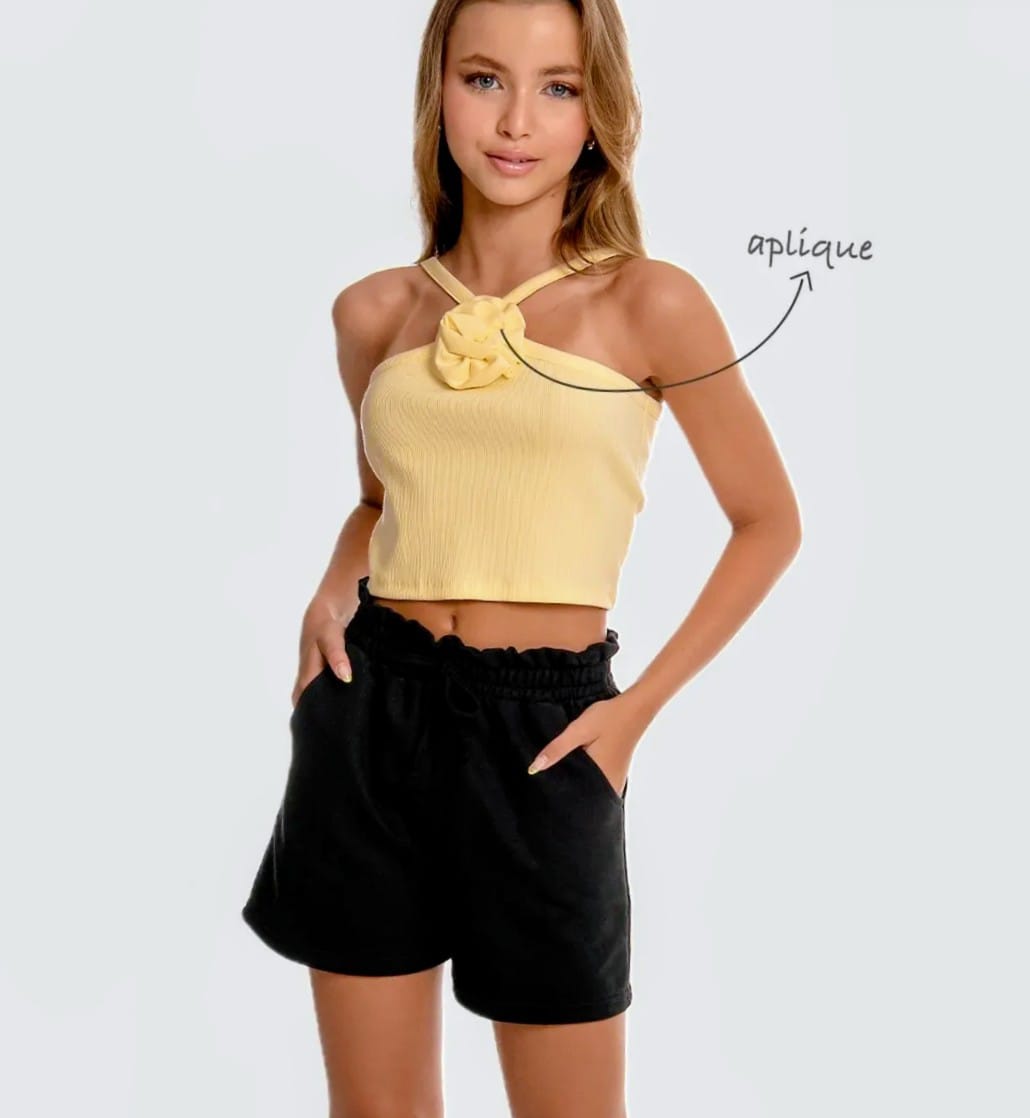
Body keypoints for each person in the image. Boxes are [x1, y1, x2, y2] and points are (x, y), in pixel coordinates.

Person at [241, 0, 802, 1114]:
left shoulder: (651, 301)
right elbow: (379, 501)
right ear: (438, 90)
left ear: (599, 113)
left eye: (558, 87)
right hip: (371, 712)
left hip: (547, 733)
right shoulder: (374, 311)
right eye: (484, 78)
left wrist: (632, 713)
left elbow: (767, 520)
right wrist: (330, 587)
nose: (515, 121)